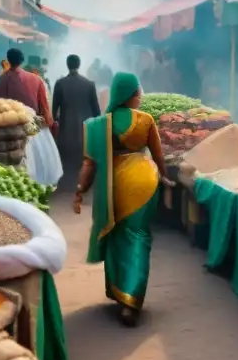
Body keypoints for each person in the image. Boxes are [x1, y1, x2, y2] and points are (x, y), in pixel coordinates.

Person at [73, 72, 175, 327]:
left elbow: (89, 163)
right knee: (138, 236)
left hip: (114, 183)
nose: (140, 97)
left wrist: (79, 191)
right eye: (138, 92)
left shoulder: (100, 124)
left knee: (118, 234)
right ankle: (132, 299)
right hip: (145, 181)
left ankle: (121, 293)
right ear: (130, 95)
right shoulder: (145, 120)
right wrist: (165, 178)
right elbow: (158, 155)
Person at [0, 48, 63, 188]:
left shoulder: (2, 80)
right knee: (38, 163)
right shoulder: (36, 79)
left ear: (9, 60)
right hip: (33, 127)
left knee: (16, 167)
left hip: (11, 129)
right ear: (22, 60)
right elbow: (44, 108)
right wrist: (50, 125)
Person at [53, 54, 102, 186]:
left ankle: (66, 185)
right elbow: (96, 111)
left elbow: (54, 109)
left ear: (67, 65)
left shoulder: (60, 84)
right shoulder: (89, 84)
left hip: (66, 128)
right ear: (79, 65)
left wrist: (54, 123)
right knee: (83, 155)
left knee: (67, 156)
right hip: (85, 128)